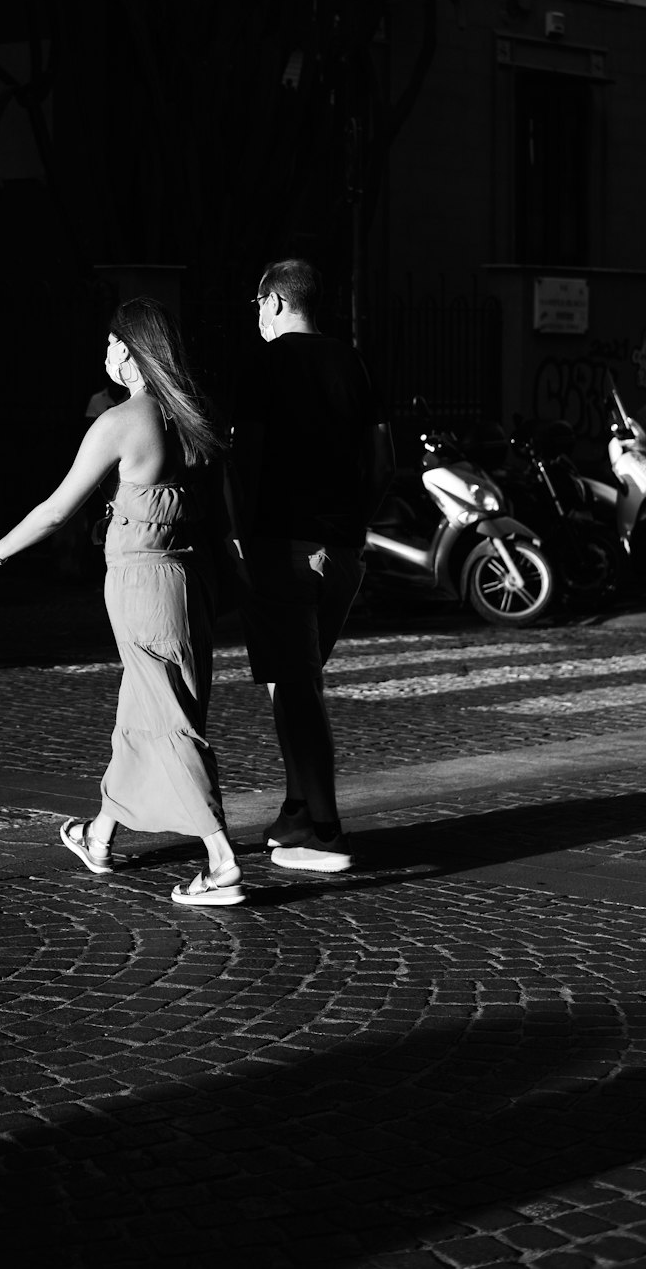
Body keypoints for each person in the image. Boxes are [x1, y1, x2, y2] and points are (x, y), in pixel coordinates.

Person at [0, 297, 244, 906]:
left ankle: (222, 861)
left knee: (168, 719)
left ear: (129, 349)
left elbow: (56, 510)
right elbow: (224, 515)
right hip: (190, 581)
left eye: (112, 343)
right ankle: (100, 835)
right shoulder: (194, 419)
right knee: (143, 710)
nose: (106, 354)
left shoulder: (125, 421)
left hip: (144, 587)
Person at [230, 258, 395, 873]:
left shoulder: (265, 366)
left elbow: (244, 463)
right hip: (343, 553)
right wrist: (351, 523)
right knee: (295, 678)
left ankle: (324, 830)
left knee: (294, 685)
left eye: (257, 308)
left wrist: (240, 540)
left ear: (273, 302)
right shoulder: (353, 360)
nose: (258, 319)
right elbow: (383, 462)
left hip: (282, 547)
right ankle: (299, 807)